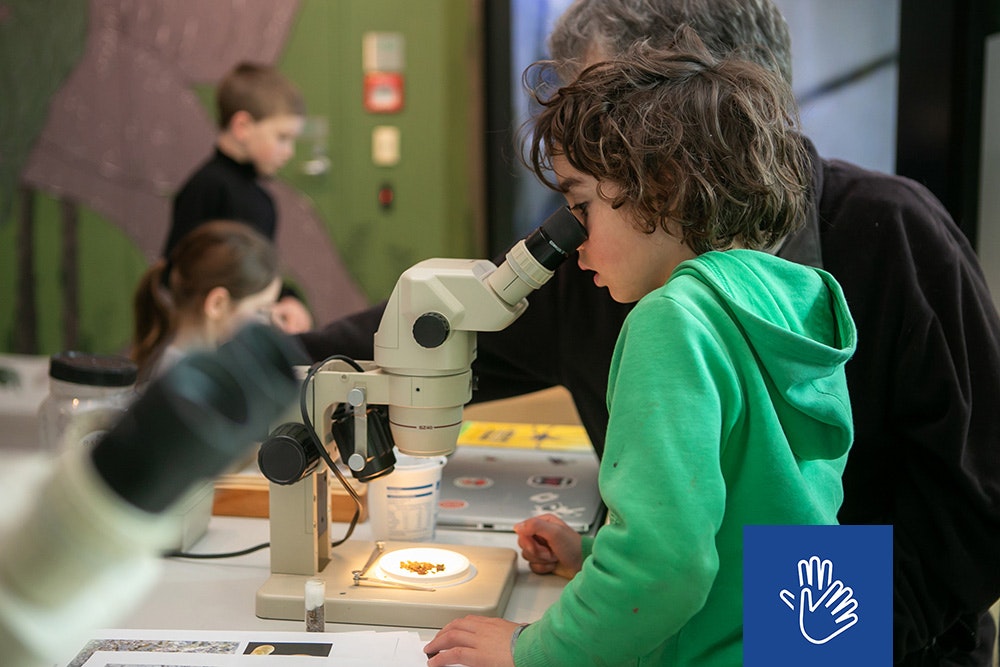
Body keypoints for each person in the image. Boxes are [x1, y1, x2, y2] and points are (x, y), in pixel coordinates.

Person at [298, 2, 1000, 662]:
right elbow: (745, 518)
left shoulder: (886, 238)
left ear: (671, 163)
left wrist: (567, 633)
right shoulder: (790, 295)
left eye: (602, 143)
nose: (569, 231)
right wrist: (267, 364)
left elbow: (969, 522)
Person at [424, 31, 856, 665]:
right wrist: (597, 556)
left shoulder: (672, 320)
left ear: (659, 183)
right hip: (811, 642)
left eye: (579, 206)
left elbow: (668, 567)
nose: (572, 243)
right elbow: (756, 511)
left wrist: (529, 650)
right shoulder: (792, 301)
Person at [164, 61, 312, 334]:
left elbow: (260, 273)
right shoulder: (207, 188)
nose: (289, 151)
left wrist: (288, 299)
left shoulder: (260, 198)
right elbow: (177, 274)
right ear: (242, 126)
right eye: (282, 137)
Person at [132, 220, 282, 385]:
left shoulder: (187, 369)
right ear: (217, 304)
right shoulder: (186, 384)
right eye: (261, 310)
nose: (268, 323)